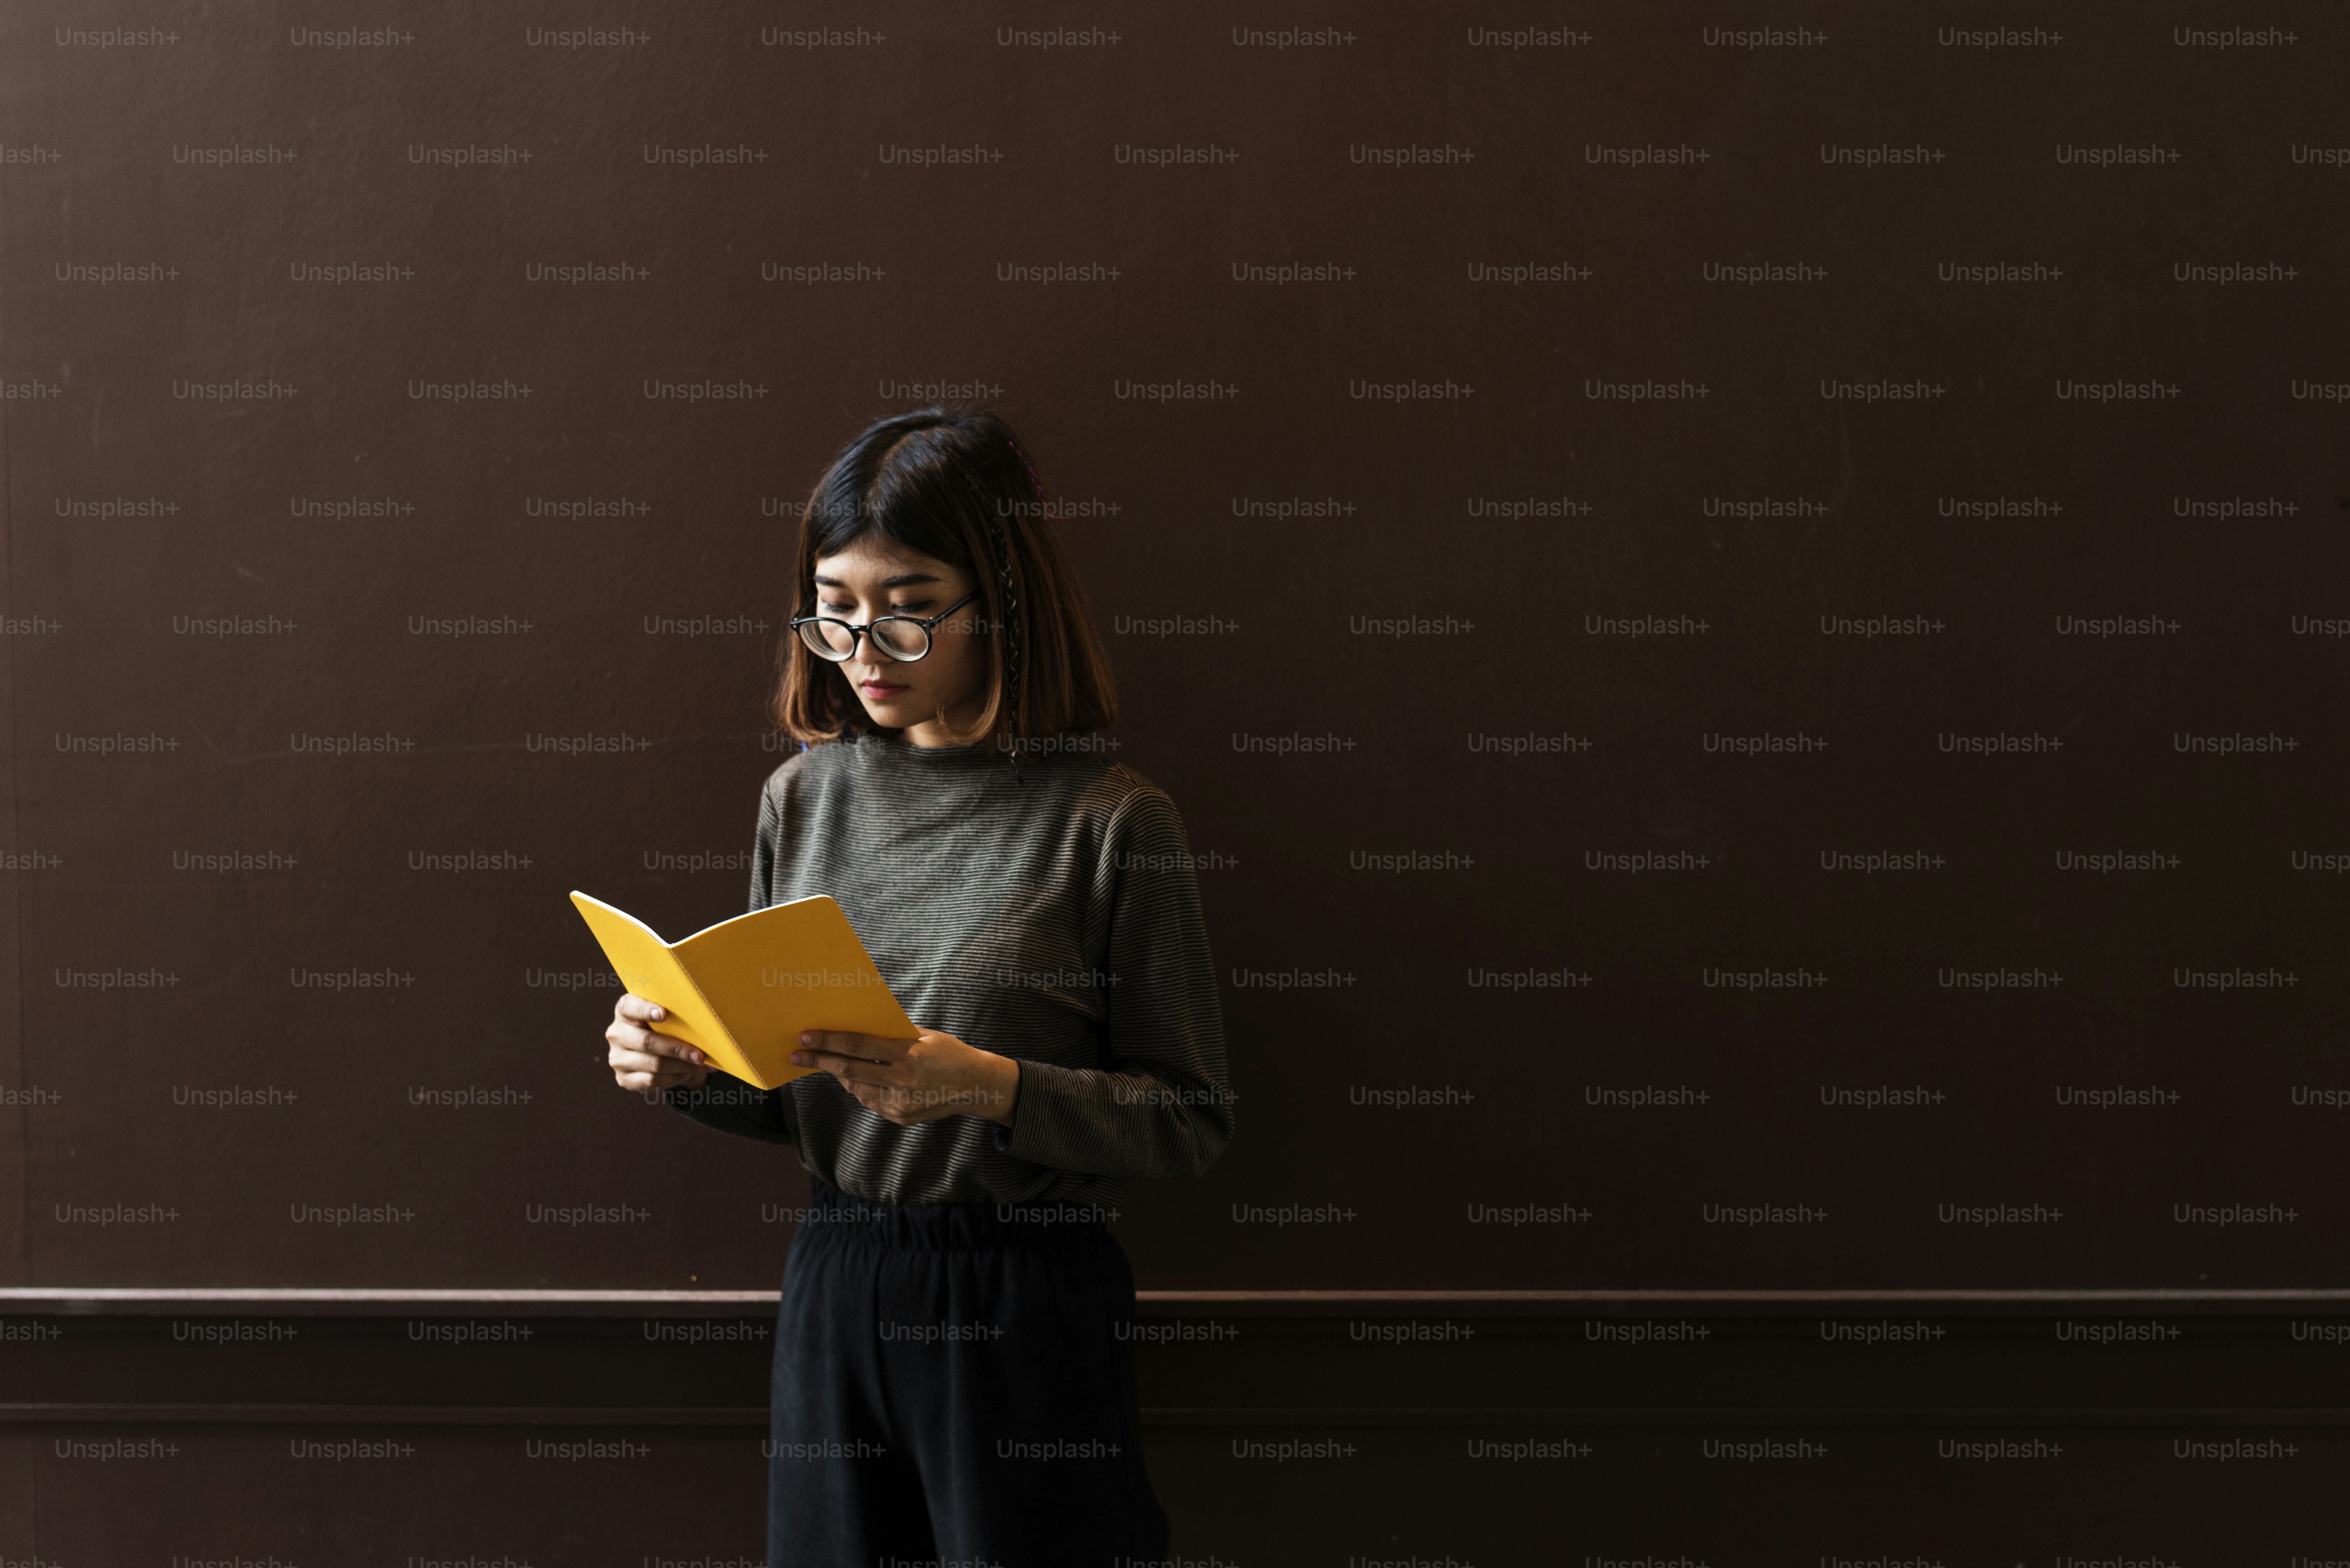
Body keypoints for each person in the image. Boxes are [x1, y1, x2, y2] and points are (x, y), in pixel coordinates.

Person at [602, 406, 1234, 1566]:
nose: (860, 650)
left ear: (1001, 595)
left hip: (1023, 1296)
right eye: (834, 608)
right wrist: (677, 1064)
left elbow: (1189, 1119)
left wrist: (988, 1086)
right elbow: (792, 1088)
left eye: (904, 608)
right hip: (838, 1279)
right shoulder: (804, 798)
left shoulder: (1111, 819)